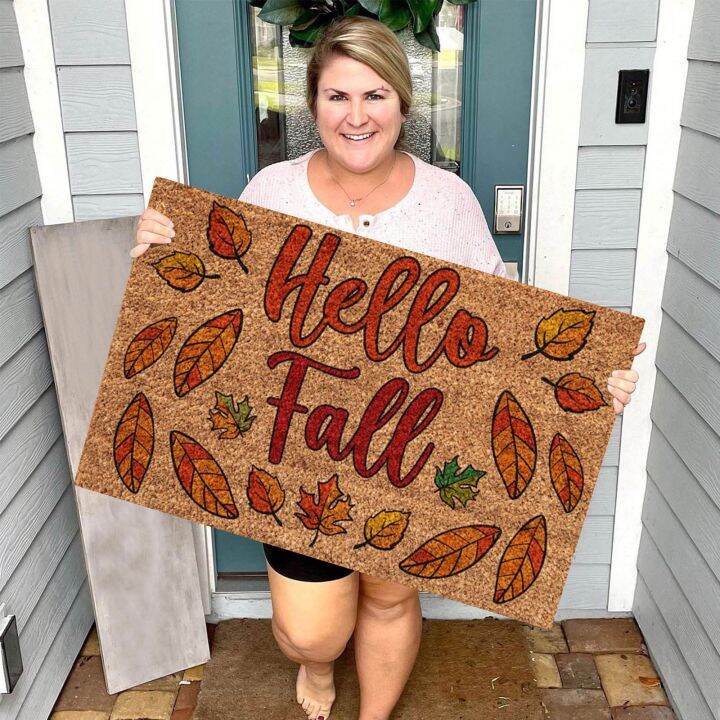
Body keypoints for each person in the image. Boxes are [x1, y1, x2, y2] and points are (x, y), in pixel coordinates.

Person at [131, 15, 645, 720]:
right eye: (338, 96)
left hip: (410, 444)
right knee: (313, 631)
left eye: (375, 95)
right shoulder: (272, 193)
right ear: (312, 106)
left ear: (403, 105)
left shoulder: (448, 202)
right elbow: (224, 312)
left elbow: (503, 333)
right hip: (302, 453)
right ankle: (317, 668)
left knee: (393, 591)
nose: (357, 115)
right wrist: (163, 258)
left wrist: (587, 384)